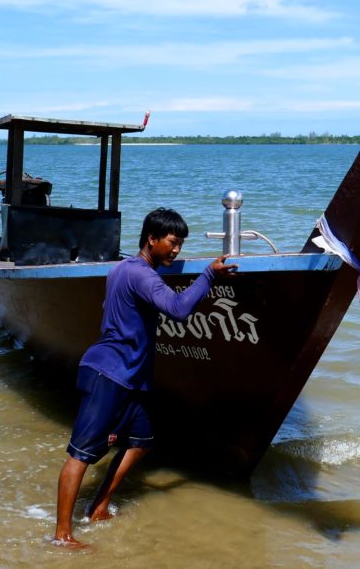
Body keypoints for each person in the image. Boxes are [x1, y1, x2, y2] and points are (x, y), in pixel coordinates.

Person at [52, 207, 237, 548]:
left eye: (181, 243)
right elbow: (179, 310)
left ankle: (99, 507)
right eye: (172, 242)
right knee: (80, 454)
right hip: (110, 374)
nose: (177, 250)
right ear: (151, 240)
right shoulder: (144, 276)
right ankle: (62, 535)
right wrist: (209, 274)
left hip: (129, 377)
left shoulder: (120, 268)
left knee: (142, 441)